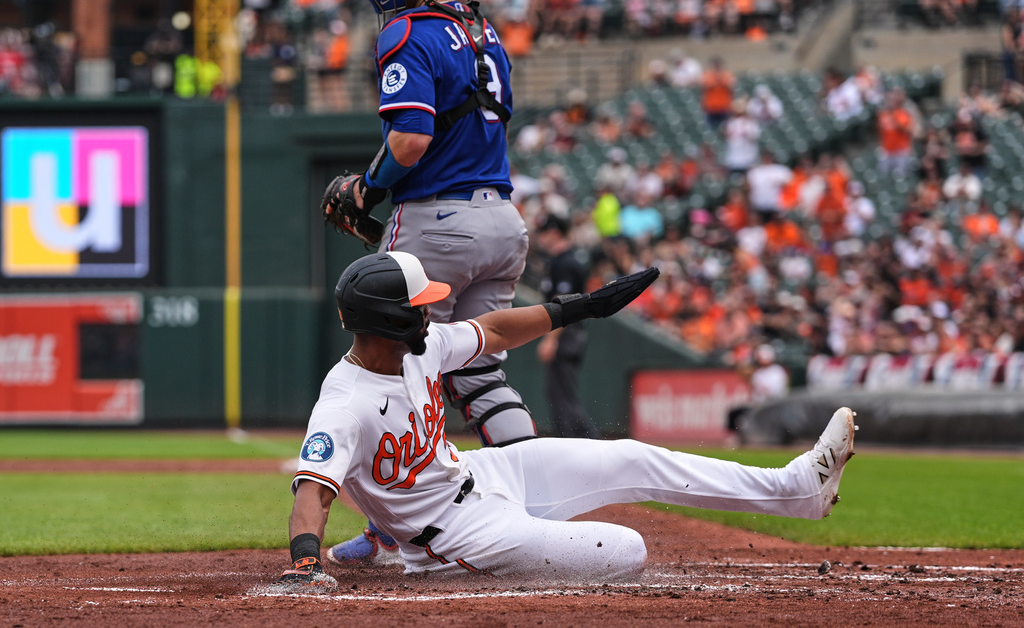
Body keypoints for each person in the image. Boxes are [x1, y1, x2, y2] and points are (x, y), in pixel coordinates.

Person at [270, 252, 856, 591]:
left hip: (488, 473)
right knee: (626, 550)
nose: (430, 311)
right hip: (452, 538)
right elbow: (312, 492)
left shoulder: (419, 347)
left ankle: (797, 489)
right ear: (390, 319)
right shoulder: (344, 402)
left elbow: (495, 330)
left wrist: (583, 307)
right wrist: (303, 563)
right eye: (418, 305)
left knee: (633, 455)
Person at [322, 0, 535, 565]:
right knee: (479, 372)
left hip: (437, 219)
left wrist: (367, 187)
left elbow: (411, 140)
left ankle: (390, 533)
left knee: (393, 369)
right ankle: (530, 510)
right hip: (501, 215)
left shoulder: (407, 30)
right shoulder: (482, 28)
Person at [534, 215, 601, 439]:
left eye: (544, 232)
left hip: (566, 333)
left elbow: (563, 306)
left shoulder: (566, 262)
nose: (541, 238)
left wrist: (550, 339)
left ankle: (594, 446)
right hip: (567, 333)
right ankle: (585, 448)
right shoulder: (560, 261)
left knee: (564, 399)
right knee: (559, 397)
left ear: (554, 233)